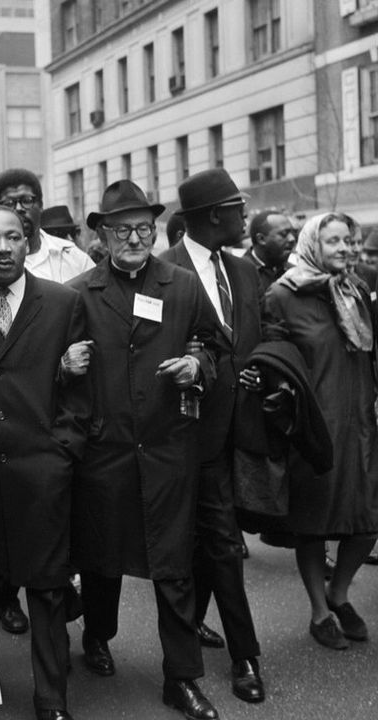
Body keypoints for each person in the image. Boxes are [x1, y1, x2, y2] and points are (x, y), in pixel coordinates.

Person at [68, 180, 219, 720]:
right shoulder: (79, 292)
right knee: (103, 558)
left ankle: (181, 679)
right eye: (122, 229)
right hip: (105, 449)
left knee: (174, 565)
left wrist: (196, 366)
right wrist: (67, 366)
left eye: (143, 228)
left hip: (165, 448)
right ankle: (97, 635)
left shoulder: (181, 285)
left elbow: (214, 346)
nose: (134, 238)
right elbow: (58, 367)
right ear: (103, 235)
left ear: (155, 231)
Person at [0, 206, 90, 720]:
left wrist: (63, 451)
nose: (3, 248)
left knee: (49, 588)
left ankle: (51, 699)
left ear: (29, 243)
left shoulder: (62, 302)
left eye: (12, 237)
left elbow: (83, 391)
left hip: (43, 471)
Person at [160, 169, 265, 704]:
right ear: (214, 215)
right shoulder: (163, 272)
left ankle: (216, 637)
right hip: (180, 434)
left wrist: (255, 371)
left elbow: (257, 338)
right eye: (238, 208)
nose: (245, 216)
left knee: (218, 539)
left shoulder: (243, 272)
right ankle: (242, 657)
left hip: (233, 430)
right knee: (213, 542)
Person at [263, 213, 378, 649]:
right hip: (316, 427)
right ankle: (319, 611)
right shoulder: (283, 294)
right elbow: (274, 359)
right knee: (313, 524)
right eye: (334, 241)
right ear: (314, 244)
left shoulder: (357, 288)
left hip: (363, 422)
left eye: (348, 241)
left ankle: (340, 593)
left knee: (367, 521)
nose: (346, 249)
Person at [0, 168, 94, 287]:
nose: (18, 209)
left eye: (26, 201)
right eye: (9, 203)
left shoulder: (73, 258)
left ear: (41, 205)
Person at [243, 211, 296, 294]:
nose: (292, 239)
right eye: (284, 234)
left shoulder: (294, 270)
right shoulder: (240, 274)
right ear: (261, 239)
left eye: (292, 233)